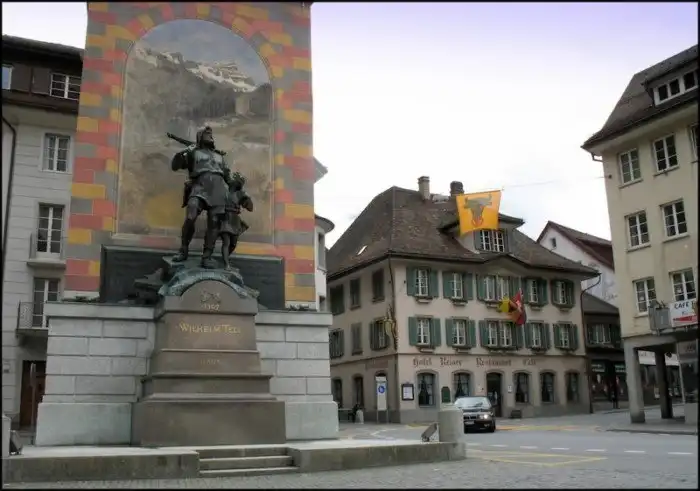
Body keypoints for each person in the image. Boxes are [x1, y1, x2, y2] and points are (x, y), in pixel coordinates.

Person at [170, 126, 234, 269]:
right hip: (199, 186)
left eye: (211, 134)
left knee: (214, 223)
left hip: (218, 190)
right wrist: (184, 152)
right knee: (190, 216)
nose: (210, 136)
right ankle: (183, 250)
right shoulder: (193, 152)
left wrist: (236, 188)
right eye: (207, 134)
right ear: (200, 136)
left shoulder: (220, 156)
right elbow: (175, 166)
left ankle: (207, 256)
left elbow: (228, 178)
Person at [218, 174, 253, 269]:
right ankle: (226, 264)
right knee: (226, 242)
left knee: (233, 244)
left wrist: (247, 197)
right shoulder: (223, 191)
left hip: (234, 220)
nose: (233, 181)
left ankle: (225, 259)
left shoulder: (239, 194)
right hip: (225, 218)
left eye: (237, 181)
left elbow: (250, 208)